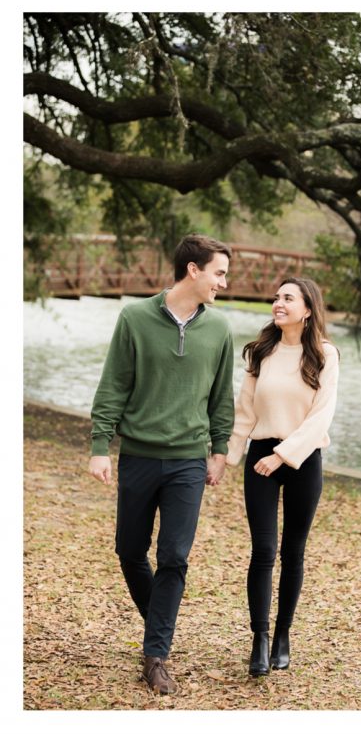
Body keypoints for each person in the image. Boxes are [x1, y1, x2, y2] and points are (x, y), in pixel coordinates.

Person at [88, 234, 235, 695]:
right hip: (139, 456)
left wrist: (219, 451)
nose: (224, 283)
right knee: (129, 550)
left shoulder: (220, 329)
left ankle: (156, 655)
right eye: (219, 272)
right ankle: (161, 623)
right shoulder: (134, 317)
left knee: (174, 557)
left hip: (188, 461)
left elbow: (221, 397)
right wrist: (98, 445)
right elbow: (114, 384)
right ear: (193, 270)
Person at [227, 277, 339, 677]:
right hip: (260, 458)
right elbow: (245, 412)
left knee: (293, 553)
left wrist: (282, 456)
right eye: (276, 297)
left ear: (308, 309)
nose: (278, 303)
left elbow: (320, 417)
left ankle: (282, 636)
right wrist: (227, 456)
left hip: (303, 460)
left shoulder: (325, 355)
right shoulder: (262, 352)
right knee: (263, 551)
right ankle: (258, 638)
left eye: (288, 298)